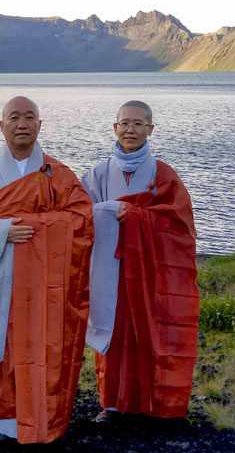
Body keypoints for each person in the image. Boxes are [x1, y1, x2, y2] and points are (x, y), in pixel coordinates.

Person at [0, 96, 94, 444]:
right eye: (14, 117)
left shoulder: (58, 175)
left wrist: (33, 227)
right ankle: (5, 419)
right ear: (2, 126)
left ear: (40, 125)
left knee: (43, 345)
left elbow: (82, 219)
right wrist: (1, 232)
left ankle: (42, 419)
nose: (22, 124)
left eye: (30, 117)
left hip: (46, 285)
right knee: (3, 344)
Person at [80, 101, 199, 423]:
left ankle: (153, 401)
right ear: (114, 127)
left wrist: (135, 216)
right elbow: (77, 215)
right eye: (124, 123)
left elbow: (181, 224)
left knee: (149, 330)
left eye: (138, 124)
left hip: (150, 271)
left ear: (150, 129)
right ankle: (113, 404)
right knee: (114, 332)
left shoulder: (163, 174)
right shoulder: (97, 173)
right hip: (109, 268)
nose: (130, 130)